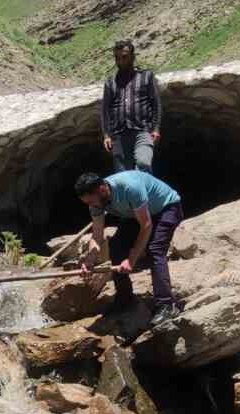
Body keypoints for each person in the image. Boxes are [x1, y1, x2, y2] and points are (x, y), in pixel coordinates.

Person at [76, 170, 184, 326]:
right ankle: (125, 299)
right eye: (87, 203)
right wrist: (89, 260)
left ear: (102, 189)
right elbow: (97, 235)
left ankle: (167, 305)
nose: (91, 206)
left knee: (155, 250)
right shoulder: (95, 201)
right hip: (135, 215)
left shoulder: (129, 187)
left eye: (92, 202)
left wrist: (131, 259)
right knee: (116, 246)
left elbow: (146, 225)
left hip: (166, 208)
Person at [99, 39, 162, 174]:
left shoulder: (146, 76)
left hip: (143, 130)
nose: (120, 61)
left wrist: (156, 128)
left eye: (124, 57)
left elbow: (156, 103)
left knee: (143, 162)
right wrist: (106, 135)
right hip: (119, 135)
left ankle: (148, 192)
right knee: (124, 174)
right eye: (117, 58)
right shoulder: (110, 82)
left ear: (133, 57)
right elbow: (105, 110)